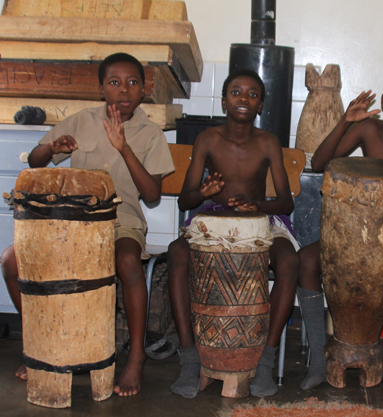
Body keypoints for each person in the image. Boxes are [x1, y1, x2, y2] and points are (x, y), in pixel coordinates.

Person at [0, 52, 175, 397]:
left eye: (132, 83)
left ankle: (136, 358)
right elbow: (36, 161)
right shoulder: (81, 121)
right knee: (11, 260)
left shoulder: (151, 133)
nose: (124, 90)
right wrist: (52, 147)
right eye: (114, 83)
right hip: (70, 222)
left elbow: (152, 194)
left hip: (121, 220)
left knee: (128, 261)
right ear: (101, 90)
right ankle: (40, 347)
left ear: (143, 91)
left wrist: (124, 148)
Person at [297, 74, 383, 402]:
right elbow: (320, 163)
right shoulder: (367, 129)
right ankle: (319, 358)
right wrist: (345, 121)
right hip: (362, 230)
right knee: (306, 259)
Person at [167, 68, 299, 399]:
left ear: (261, 105)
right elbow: (186, 200)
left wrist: (257, 203)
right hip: (212, 219)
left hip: (261, 222)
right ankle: (189, 358)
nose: (244, 98)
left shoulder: (268, 142)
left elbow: (286, 203)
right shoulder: (208, 139)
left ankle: (265, 360)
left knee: (289, 261)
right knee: (176, 253)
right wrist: (204, 191)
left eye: (252, 94)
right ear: (225, 100)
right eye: (236, 92)